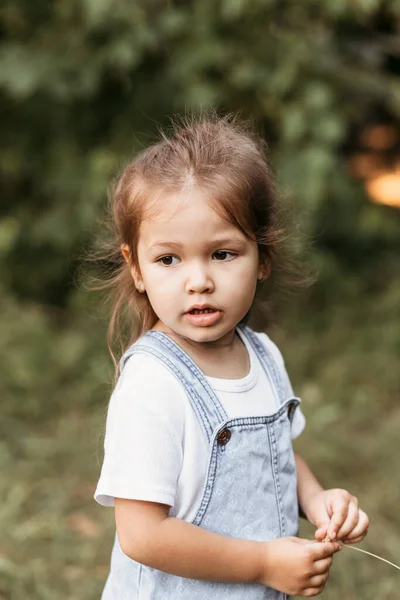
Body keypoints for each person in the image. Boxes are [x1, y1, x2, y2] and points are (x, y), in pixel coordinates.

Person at [94, 113, 369, 599]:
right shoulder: (153, 385)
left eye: (222, 254)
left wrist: (317, 497)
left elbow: (277, 453)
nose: (198, 280)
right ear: (136, 268)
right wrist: (263, 562)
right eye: (168, 259)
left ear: (262, 257)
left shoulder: (262, 355)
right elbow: (142, 534)